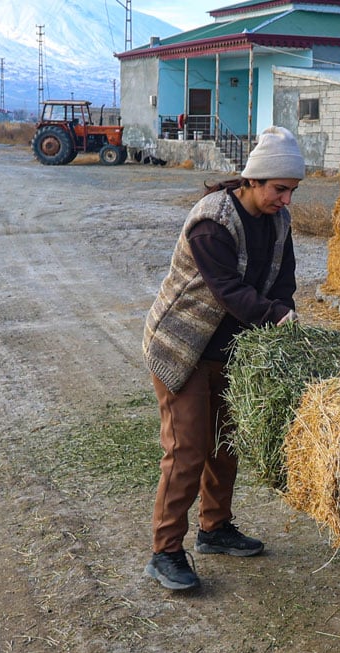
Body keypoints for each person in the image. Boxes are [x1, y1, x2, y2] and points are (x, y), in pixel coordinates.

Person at [141, 126, 304, 591]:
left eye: (292, 190)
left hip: (230, 350)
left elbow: (283, 281)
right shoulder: (212, 221)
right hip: (184, 348)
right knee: (187, 448)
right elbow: (229, 292)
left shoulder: (278, 222)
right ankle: (166, 551)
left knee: (224, 443)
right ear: (253, 180)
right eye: (280, 189)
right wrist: (277, 316)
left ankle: (214, 529)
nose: (286, 199)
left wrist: (285, 311)